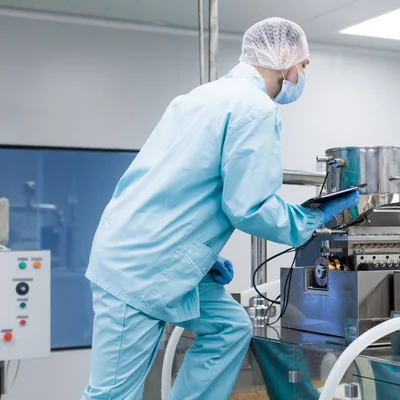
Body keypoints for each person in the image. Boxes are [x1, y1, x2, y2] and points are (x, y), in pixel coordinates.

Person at [82, 17, 360, 400]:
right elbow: (249, 208)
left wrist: (195, 255)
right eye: (303, 64)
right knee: (111, 394)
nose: (302, 73)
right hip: (140, 268)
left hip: (154, 253)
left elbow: (174, 184)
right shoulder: (255, 108)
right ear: (283, 56)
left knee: (229, 328)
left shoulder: (199, 97)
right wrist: (313, 217)